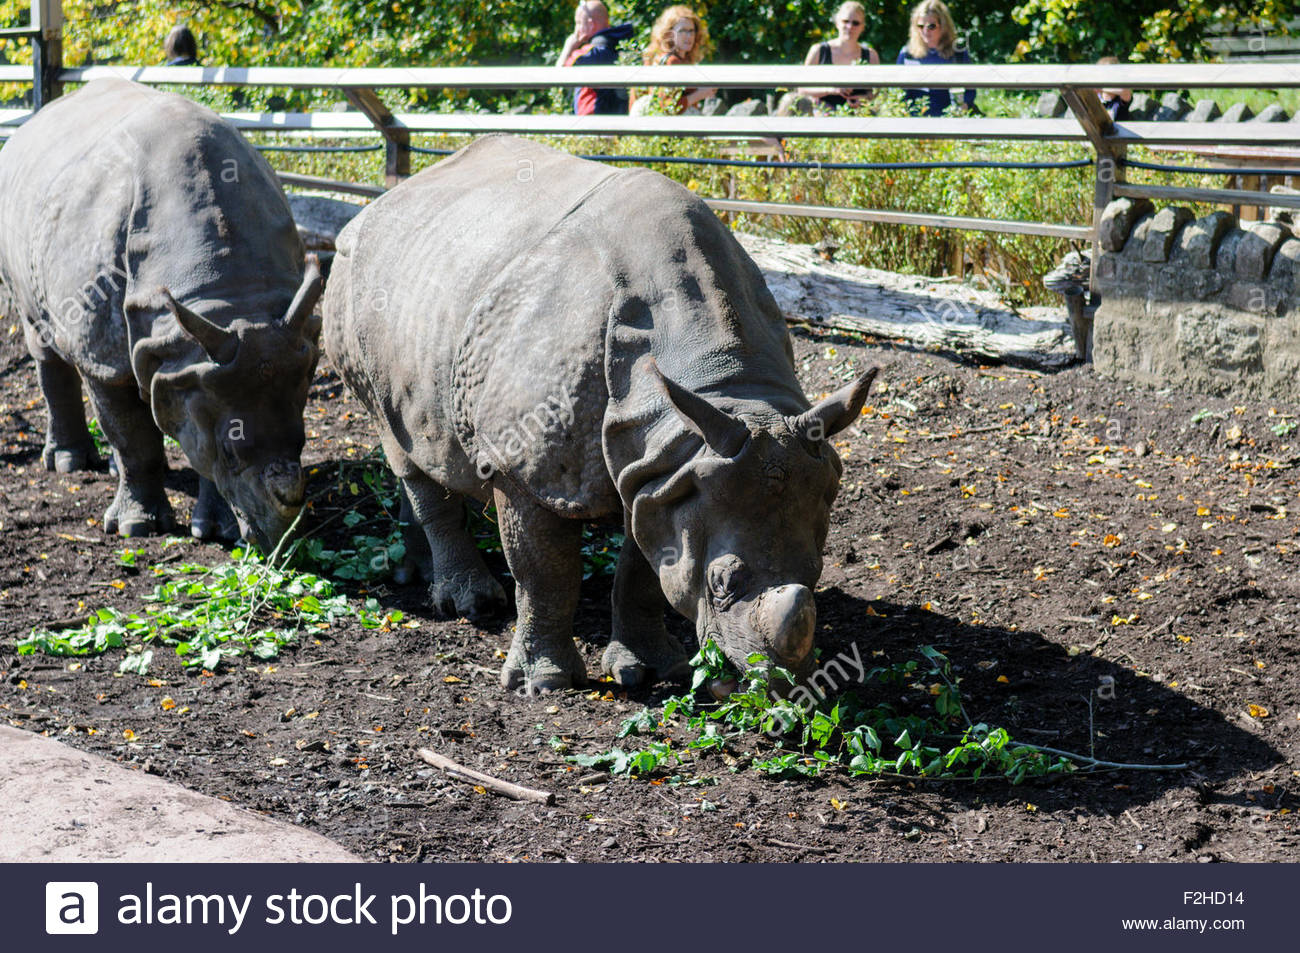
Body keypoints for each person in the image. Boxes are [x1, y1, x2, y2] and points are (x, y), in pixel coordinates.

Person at [896, 0, 975, 116]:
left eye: (931, 26)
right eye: (920, 26)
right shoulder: (907, 53)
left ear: (943, 26)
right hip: (916, 120)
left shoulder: (958, 53)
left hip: (950, 118)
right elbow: (898, 91)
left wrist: (964, 105)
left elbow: (971, 89)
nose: (925, 31)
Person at [557, 1, 635, 115]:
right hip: (613, 120)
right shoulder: (620, 45)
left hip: (594, 123)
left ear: (591, 24)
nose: (576, 31)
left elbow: (559, 74)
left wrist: (568, 47)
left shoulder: (592, 53)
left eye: (578, 23)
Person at [800, 2, 879, 111]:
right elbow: (802, 89)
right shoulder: (819, 51)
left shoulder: (871, 55)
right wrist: (830, 90)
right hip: (822, 118)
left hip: (860, 119)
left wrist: (863, 99)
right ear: (837, 22)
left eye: (855, 23)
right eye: (845, 21)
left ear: (863, 27)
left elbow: (878, 93)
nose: (849, 27)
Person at [641, 6, 716, 114]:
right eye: (682, 31)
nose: (689, 36)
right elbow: (668, 106)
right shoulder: (671, 61)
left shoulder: (675, 58)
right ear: (669, 34)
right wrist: (700, 94)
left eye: (691, 31)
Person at [1096, 55, 1132, 122]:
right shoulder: (1096, 98)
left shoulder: (1120, 99)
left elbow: (1125, 92)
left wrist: (1102, 88)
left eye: (1108, 74)